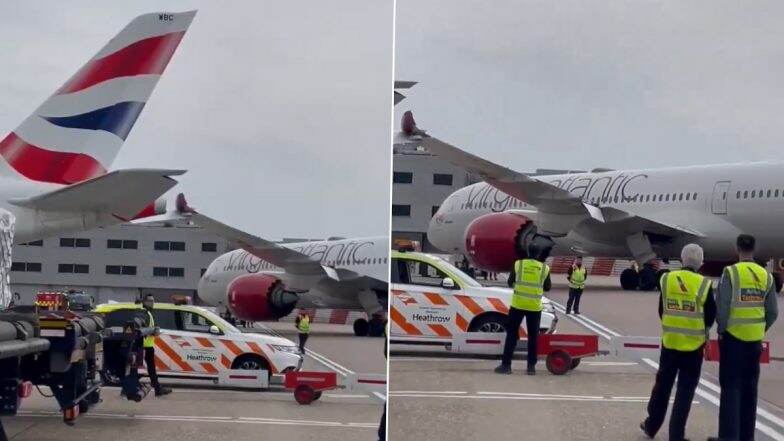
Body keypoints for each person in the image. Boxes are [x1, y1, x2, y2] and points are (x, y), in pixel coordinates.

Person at [640, 244, 716, 441]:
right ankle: (676, 435)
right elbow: (710, 316)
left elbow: (661, 310)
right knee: (685, 391)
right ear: (700, 263)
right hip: (694, 346)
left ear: (682, 259)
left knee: (662, 385)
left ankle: (651, 425)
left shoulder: (666, 279)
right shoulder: (703, 284)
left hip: (670, 343)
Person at [708, 234, 778, 441]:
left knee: (731, 390)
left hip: (732, 341)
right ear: (754, 249)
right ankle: (747, 437)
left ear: (737, 249)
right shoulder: (766, 275)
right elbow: (772, 311)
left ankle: (728, 437)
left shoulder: (730, 273)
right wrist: (758, 329)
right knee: (750, 391)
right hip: (754, 343)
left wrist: (721, 330)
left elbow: (723, 307)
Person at [494, 241, 552, 375]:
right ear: (538, 254)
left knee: (511, 335)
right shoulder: (544, 268)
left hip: (517, 305)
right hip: (534, 307)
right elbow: (548, 287)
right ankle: (531, 367)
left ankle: (506, 365)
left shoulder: (518, 264)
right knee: (533, 337)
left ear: (527, 252)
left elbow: (510, 282)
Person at [140, 294, 172, 397]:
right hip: (144, 346)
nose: (152, 303)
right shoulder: (144, 313)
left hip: (146, 345)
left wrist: (154, 331)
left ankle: (158, 389)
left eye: (153, 301)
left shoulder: (148, 313)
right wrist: (154, 332)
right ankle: (158, 390)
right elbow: (143, 330)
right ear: (144, 302)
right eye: (150, 301)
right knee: (148, 368)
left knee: (149, 368)